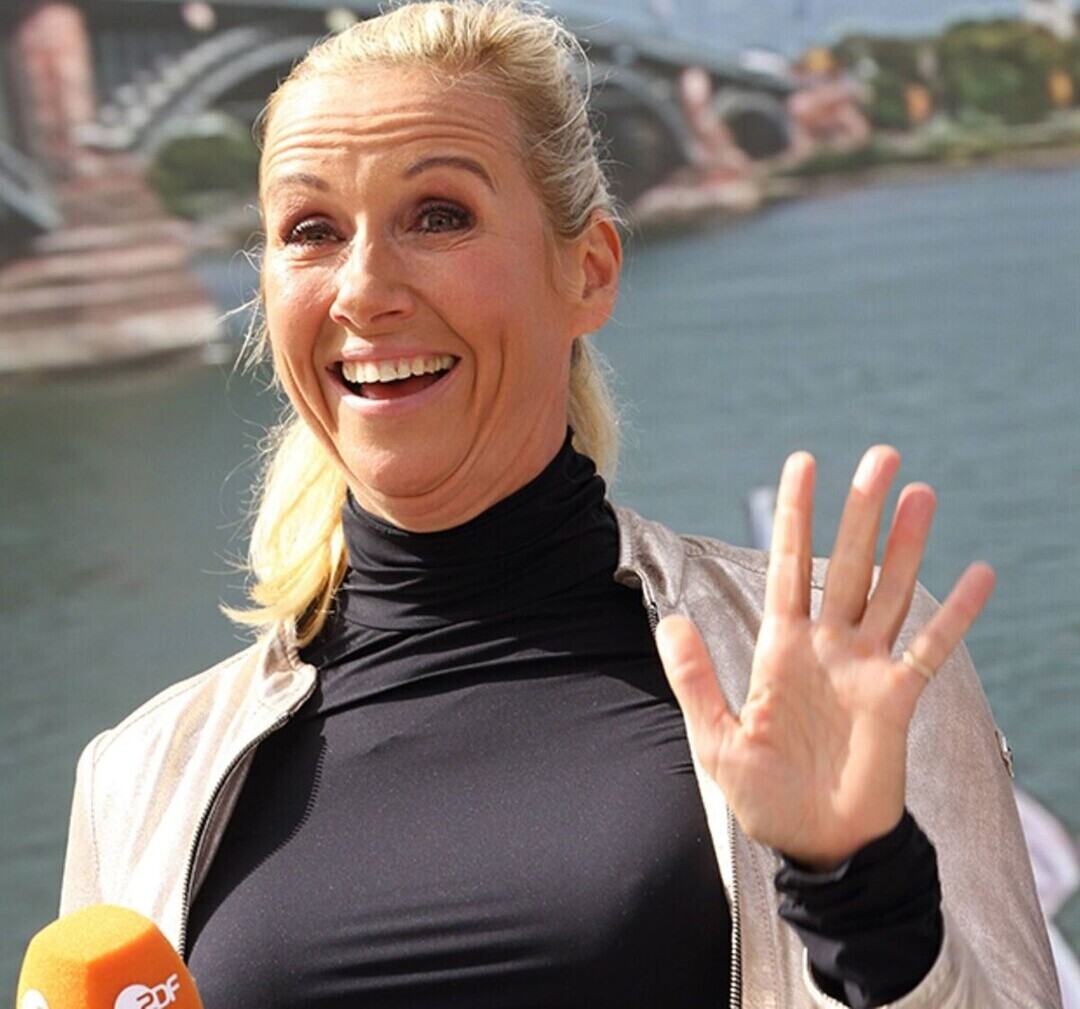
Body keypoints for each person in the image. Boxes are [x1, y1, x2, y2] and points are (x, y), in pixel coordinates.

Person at [58, 2, 1061, 1006]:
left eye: (438, 216)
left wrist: (861, 893)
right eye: (311, 231)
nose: (363, 290)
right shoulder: (135, 776)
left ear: (588, 271)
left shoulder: (828, 661)